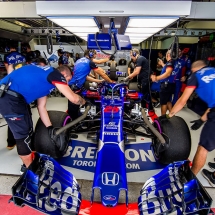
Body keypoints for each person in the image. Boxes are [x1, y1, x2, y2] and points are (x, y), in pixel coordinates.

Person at [0, 64, 85, 171]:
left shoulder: (44, 78)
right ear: (63, 74)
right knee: (23, 136)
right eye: (67, 80)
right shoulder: (56, 74)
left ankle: (30, 161)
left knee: (29, 129)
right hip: (9, 98)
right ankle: (30, 170)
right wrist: (84, 102)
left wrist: (49, 128)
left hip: (15, 98)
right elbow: (74, 99)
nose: (66, 83)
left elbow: (41, 107)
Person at [162, 60, 215, 186]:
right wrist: (202, 119)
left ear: (193, 70)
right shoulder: (212, 70)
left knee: (203, 147)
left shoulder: (196, 76)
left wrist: (169, 115)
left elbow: (182, 100)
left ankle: (190, 177)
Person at [68, 49, 114, 120]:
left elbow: (85, 76)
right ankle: (73, 123)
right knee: (74, 107)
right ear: (91, 54)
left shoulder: (80, 60)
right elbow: (101, 73)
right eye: (95, 54)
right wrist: (111, 82)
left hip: (73, 85)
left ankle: (83, 115)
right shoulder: (89, 62)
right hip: (75, 87)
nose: (96, 56)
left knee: (88, 99)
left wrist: (98, 81)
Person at [3, 44, 26, 150]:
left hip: (11, 85)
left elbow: (8, 71)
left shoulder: (7, 57)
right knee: (25, 112)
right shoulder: (22, 56)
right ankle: (26, 140)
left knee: (12, 115)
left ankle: (10, 143)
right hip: (22, 84)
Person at [151, 50, 175, 115]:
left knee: (163, 102)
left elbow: (168, 74)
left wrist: (156, 78)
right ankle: (171, 115)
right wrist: (162, 64)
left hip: (166, 85)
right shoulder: (170, 63)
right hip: (169, 85)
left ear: (168, 55)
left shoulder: (170, 63)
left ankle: (163, 118)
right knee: (168, 100)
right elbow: (167, 69)